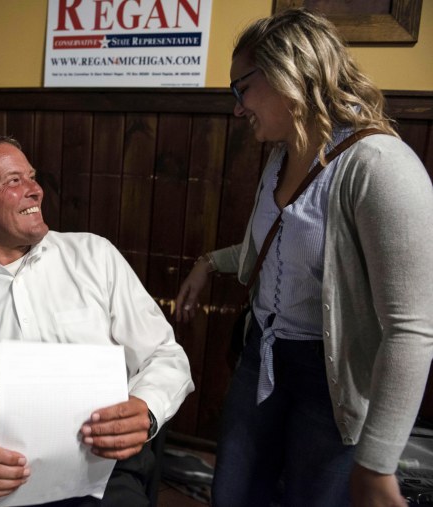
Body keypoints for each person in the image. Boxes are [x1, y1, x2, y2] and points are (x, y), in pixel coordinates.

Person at [174, 8, 433, 507]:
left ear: (288, 74)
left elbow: (411, 330)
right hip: (264, 356)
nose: (237, 108)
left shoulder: (380, 167)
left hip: (331, 377)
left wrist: (378, 463)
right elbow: (285, 249)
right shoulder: (281, 155)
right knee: (233, 494)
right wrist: (209, 262)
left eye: (241, 89)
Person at [0, 134, 194, 506]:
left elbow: (165, 356)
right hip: (2, 478)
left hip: (104, 468)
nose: (35, 190)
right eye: (13, 181)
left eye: (31, 176)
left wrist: (145, 409)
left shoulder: (94, 255)